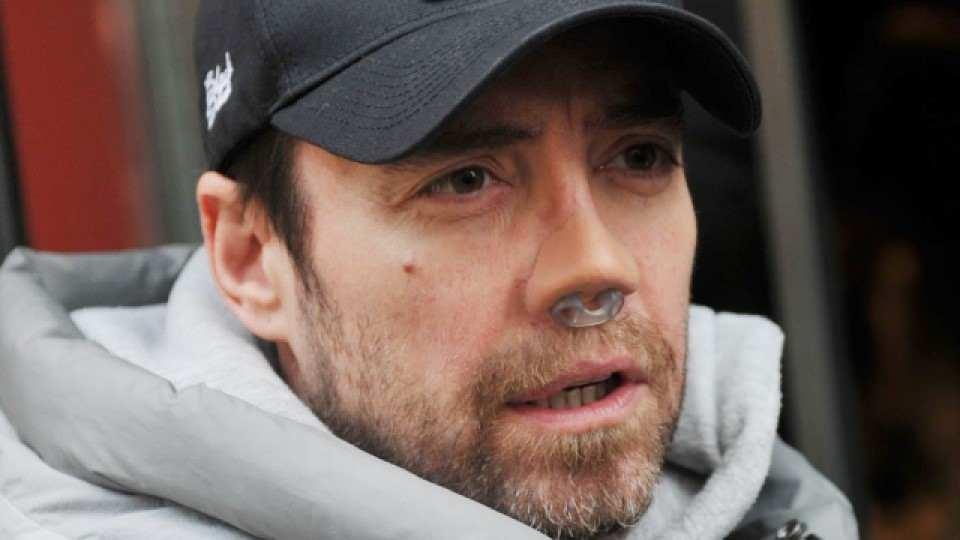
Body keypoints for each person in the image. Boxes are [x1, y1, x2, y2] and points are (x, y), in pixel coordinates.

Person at [0, 1, 858, 539]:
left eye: (638, 157)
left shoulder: (766, 504)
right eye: (465, 181)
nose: (598, 266)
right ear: (252, 259)